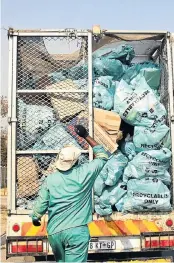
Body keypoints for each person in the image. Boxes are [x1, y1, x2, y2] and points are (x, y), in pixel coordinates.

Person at [31, 125, 108, 262]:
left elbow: (41, 204)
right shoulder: (85, 173)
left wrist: (35, 218)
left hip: (55, 232)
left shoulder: (50, 180)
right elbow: (102, 155)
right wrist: (85, 135)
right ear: (77, 160)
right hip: (76, 232)